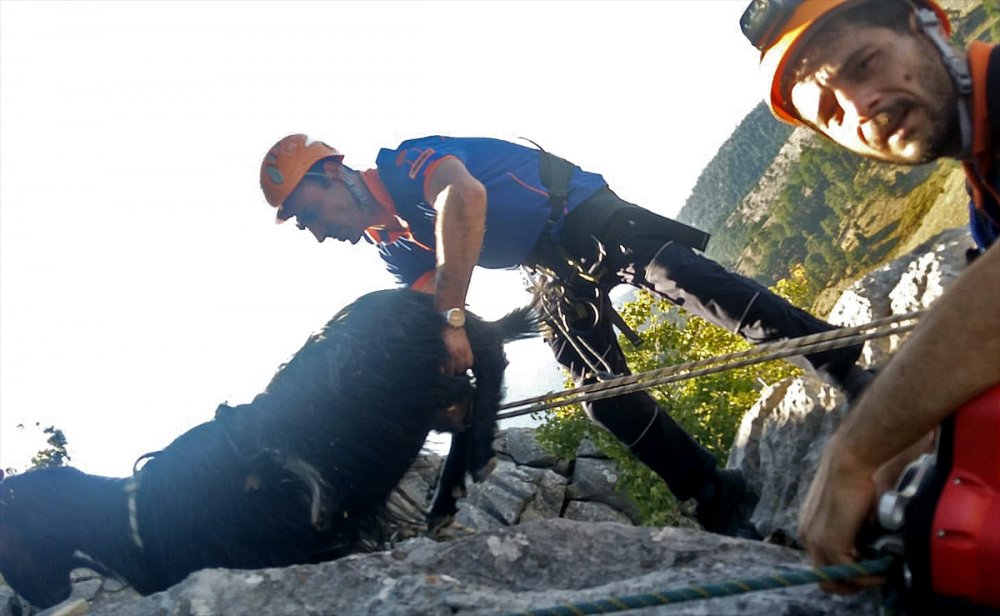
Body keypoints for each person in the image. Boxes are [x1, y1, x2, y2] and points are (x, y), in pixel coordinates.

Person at [259, 133, 870, 537]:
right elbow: (418, 320)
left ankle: (841, 361)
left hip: (581, 215)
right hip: (549, 264)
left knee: (683, 278)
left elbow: (463, 196)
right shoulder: (391, 244)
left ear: (333, 173)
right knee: (601, 395)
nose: (314, 231)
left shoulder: (406, 161)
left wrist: (450, 319)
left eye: (307, 212)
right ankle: (715, 494)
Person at [742, 0, 1000, 594]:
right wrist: (893, 470)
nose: (861, 108)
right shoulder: (986, 187)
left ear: (925, 27)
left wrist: (854, 456)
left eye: (864, 65)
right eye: (831, 112)